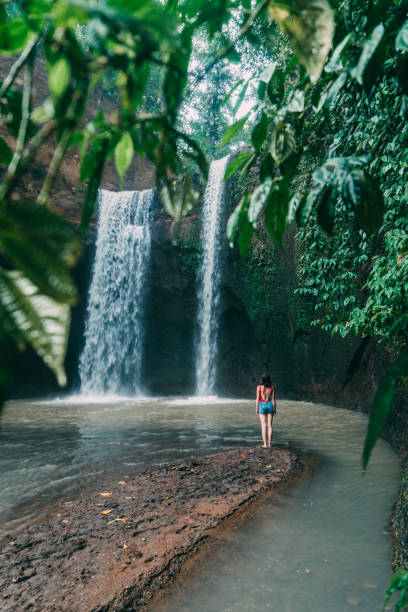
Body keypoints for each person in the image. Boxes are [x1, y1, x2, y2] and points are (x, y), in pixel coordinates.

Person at [256, 373, 276, 448]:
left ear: (262, 379)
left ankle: (265, 444)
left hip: (262, 405)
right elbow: (273, 399)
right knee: (270, 426)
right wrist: (275, 409)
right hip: (269, 405)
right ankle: (270, 444)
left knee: (263, 425)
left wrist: (256, 408)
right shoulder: (271, 387)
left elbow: (257, 399)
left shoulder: (259, 387)